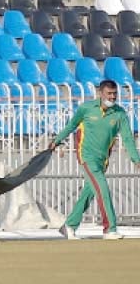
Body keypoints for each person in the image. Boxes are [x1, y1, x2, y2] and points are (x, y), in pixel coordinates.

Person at [49, 79, 140, 240]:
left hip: (102, 160)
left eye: (114, 94)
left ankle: (69, 225)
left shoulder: (119, 113)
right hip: (86, 157)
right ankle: (110, 229)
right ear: (100, 93)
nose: (112, 97)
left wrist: (136, 160)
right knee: (103, 189)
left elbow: (128, 139)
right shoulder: (86, 108)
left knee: (89, 193)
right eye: (109, 94)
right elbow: (71, 126)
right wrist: (56, 141)